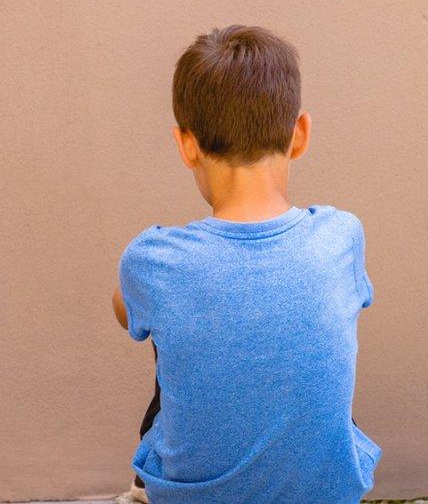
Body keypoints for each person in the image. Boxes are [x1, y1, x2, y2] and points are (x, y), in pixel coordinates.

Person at [111, 25, 381, 503]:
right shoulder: (342, 236)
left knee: (172, 340)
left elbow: (123, 310)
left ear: (186, 144)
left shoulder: (153, 260)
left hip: (191, 497)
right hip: (326, 493)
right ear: (300, 135)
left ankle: (145, 492)